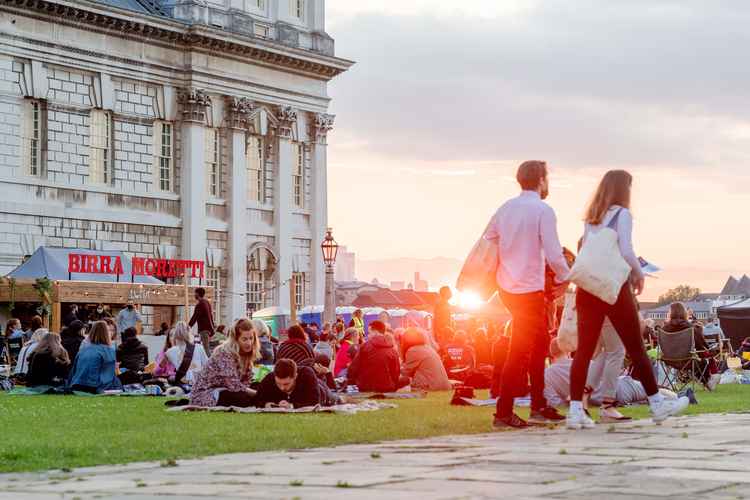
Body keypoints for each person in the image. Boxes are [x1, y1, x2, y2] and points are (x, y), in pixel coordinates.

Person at [568, 170, 689, 430]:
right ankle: (657, 403)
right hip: (613, 287)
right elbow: (626, 250)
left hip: (588, 288)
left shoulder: (591, 218)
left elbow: (587, 251)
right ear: (625, 190)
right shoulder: (622, 215)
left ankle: (575, 409)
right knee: (635, 346)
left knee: (585, 350)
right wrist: (638, 273)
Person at [486, 160, 570, 429]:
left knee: (538, 348)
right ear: (542, 180)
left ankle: (538, 405)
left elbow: (489, 239)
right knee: (520, 351)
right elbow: (555, 252)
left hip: (507, 286)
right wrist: (567, 277)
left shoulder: (505, 208)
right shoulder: (543, 210)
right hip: (529, 288)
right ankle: (503, 412)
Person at [190, 318, 260, 408]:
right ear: (236, 339)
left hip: (227, 389)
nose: (249, 343)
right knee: (241, 398)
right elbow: (234, 385)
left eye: (251, 338)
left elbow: (246, 382)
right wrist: (257, 394)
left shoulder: (246, 355)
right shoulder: (224, 352)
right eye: (244, 339)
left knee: (257, 386)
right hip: (207, 393)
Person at [660, 302, 720, 391]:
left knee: (699, 360)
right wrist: (709, 349)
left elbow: (661, 346)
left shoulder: (664, 329)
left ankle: (707, 381)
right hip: (687, 360)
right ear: (684, 313)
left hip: (669, 361)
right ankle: (707, 381)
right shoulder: (690, 328)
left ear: (670, 313)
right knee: (702, 361)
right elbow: (701, 346)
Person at [254, 359, 339, 408]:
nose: (282, 388)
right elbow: (257, 399)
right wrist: (266, 404)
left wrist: (292, 405)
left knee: (336, 398)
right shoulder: (270, 378)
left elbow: (315, 402)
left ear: (295, 376)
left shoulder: (307, 374)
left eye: (286, 384)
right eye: (279, 384)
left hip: (323, 392)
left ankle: (327, 374)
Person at [347, 320, 405, 393]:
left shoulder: (365, 347)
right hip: (387, 387)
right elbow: (396, 372)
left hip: (366, 387)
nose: (368, 335)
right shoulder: (392, 349)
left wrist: (353, 381)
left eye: (369, 332)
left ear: (375, 332)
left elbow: (353, 369)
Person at [67, 321, 122, 393]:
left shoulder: (83, 350)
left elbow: (73, 371)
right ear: (106, 333)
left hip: (77, 384)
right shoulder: (109, 350)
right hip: (95, 386)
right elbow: (109, 375)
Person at [165, 321, 209, 386]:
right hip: (198, 384)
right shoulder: (199, 348)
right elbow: (208, 367)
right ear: (189, 332)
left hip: (182, 383)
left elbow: (157, 370)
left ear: (175, 334)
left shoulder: (169, 352)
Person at [189, 287, 215, 356]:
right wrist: (212, 328)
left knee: (205, 348)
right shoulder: (206, 302)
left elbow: (195, 316)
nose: (194, 295)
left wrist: (188, 326)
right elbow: (211, 315)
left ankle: (209, 363)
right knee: (206, 347)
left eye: (195, 293)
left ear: (197, 294)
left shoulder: (200, 304)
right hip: (208, 329)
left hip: (204, 329)